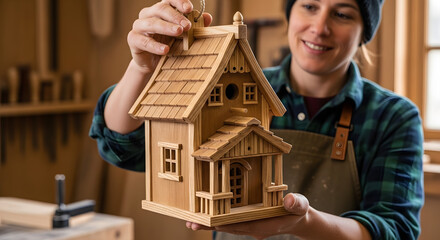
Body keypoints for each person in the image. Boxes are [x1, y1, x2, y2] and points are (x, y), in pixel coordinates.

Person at [89, 0, 424, 239]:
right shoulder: (226, 84)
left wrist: (301, 223)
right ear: (290, 13)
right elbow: (123, 148)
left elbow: (394, 230)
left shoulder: (393, 117)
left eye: (342, 13)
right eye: (309, 6)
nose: (320, 27)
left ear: (365, 31)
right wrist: (143, 67)